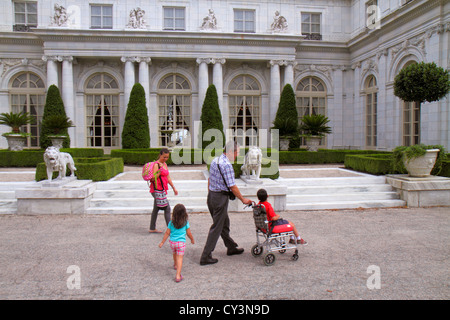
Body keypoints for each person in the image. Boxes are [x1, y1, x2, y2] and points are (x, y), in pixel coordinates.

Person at [200, 141, 253, 265]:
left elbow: (209, 179)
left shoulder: (215, 161)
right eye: (237, 153)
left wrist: (211, 194)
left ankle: (231, 247)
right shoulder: (227, 165)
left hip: (212, 196)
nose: (237, 155)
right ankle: (205, 256)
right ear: (230, 152)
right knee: (217, 227)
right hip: (219, 198)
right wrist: (243, 199)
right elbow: (232, 186)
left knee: (224, 223)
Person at [159, 204, 194, 282]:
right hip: (181, 243)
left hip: (172, 243)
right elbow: (189, 233)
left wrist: (162, 242)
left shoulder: (171, 223)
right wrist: (192, 239)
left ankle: (175, 264)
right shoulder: (185, 223)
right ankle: (178, 275)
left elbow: (167, 233)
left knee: (174, 253)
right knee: (180, 258)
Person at [149, 148, 178, 233]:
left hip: (162, 190)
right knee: (167, 208)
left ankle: (152, 228)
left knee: (156, 208)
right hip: (156, 190)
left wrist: (173, 188)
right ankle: (170, 229)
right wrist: (160, 170)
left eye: (167, 157)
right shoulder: (156, 165)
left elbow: (168, 177)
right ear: (160, 155)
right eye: (164, 157)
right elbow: (153, 178)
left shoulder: (164, 164)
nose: (165, 159)